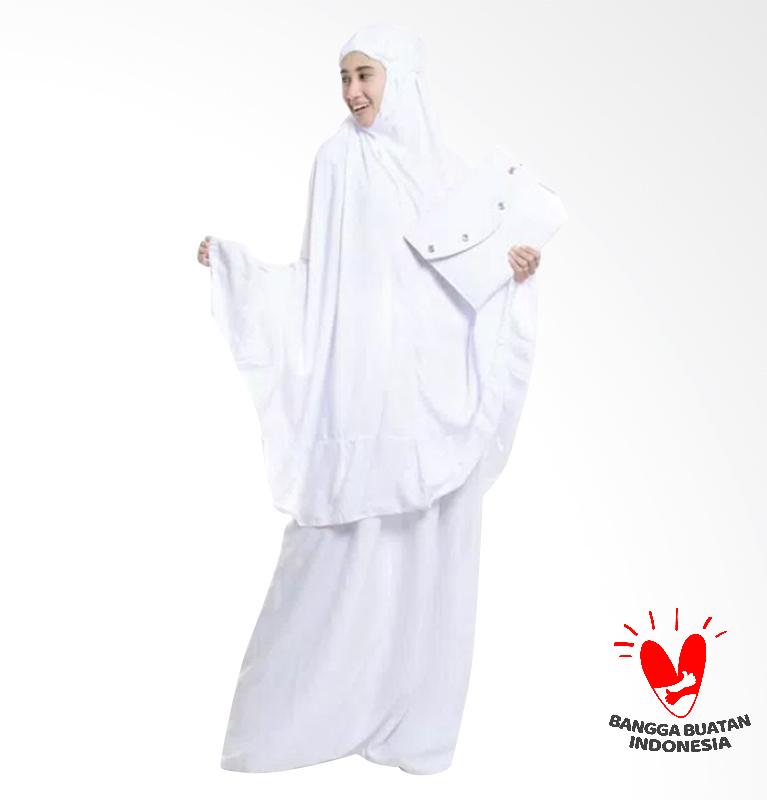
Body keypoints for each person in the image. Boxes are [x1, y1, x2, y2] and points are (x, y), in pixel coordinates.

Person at [196, 23, 566, 774]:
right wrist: (240, 271)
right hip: (359, 391)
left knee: (424, 549)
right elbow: (318, 279)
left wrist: (514, 273)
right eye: (344, 78)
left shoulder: (448, 175)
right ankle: (294, 724)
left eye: (365, 75)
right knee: (338, 546)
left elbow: (465, 276)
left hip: (428, 394)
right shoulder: (336, 162)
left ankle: (406, 724)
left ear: (399, 77)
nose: (352, 92)